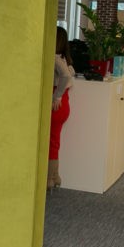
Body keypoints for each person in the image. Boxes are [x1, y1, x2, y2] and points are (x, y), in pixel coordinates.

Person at [48, 26, 75, 190]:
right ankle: (55, 177)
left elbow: (65, 76)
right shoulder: (64, 58)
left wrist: (57, 95)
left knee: (51, 142)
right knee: (54, 141)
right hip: (64, 105)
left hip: (56, 105)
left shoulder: (54, 58)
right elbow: (70, 74)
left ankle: (49, 180)